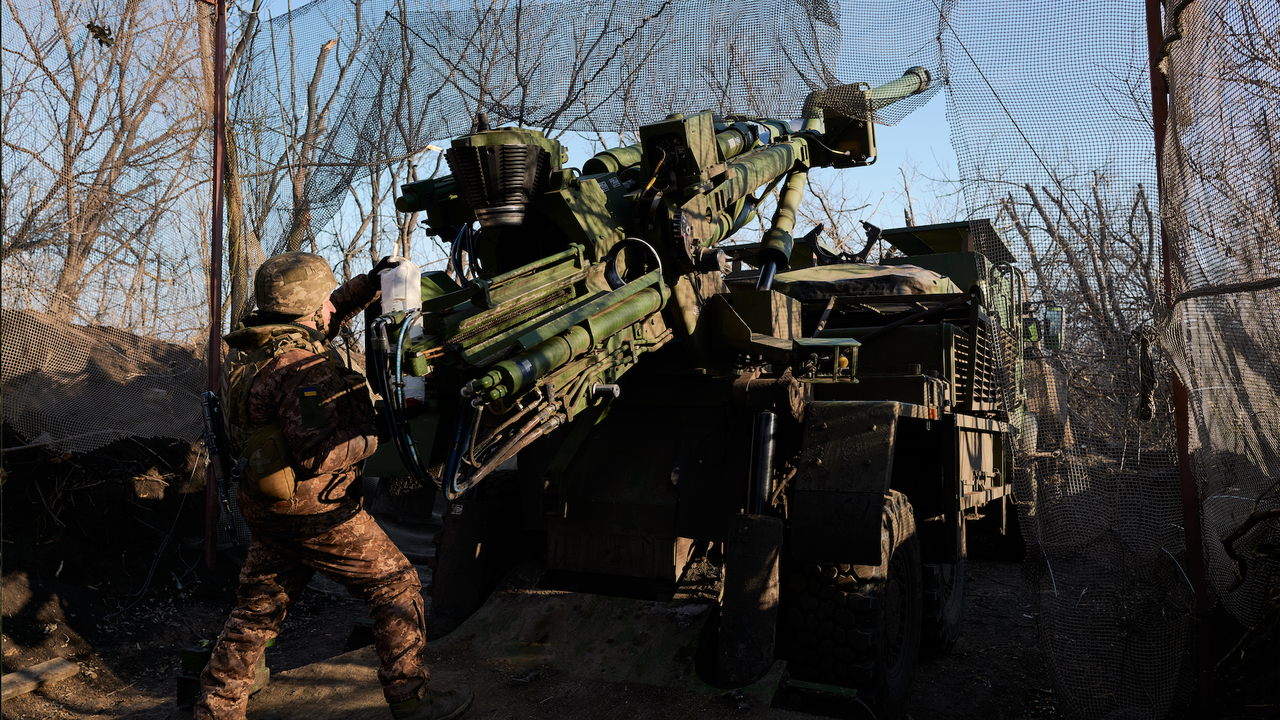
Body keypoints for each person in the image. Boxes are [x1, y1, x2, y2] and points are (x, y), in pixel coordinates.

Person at [195, 252, 471, 720]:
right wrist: (380, 427)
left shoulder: (253, 345)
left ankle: (217, 707)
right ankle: (410, 701)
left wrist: (369, 282)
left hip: (266, 502)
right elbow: (317, 454)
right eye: (325, 299)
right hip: (313, 511)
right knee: (397, 586)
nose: (331, 307)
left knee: (258, 609)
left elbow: (328, 311)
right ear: (310, 307)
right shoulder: (304, 368)